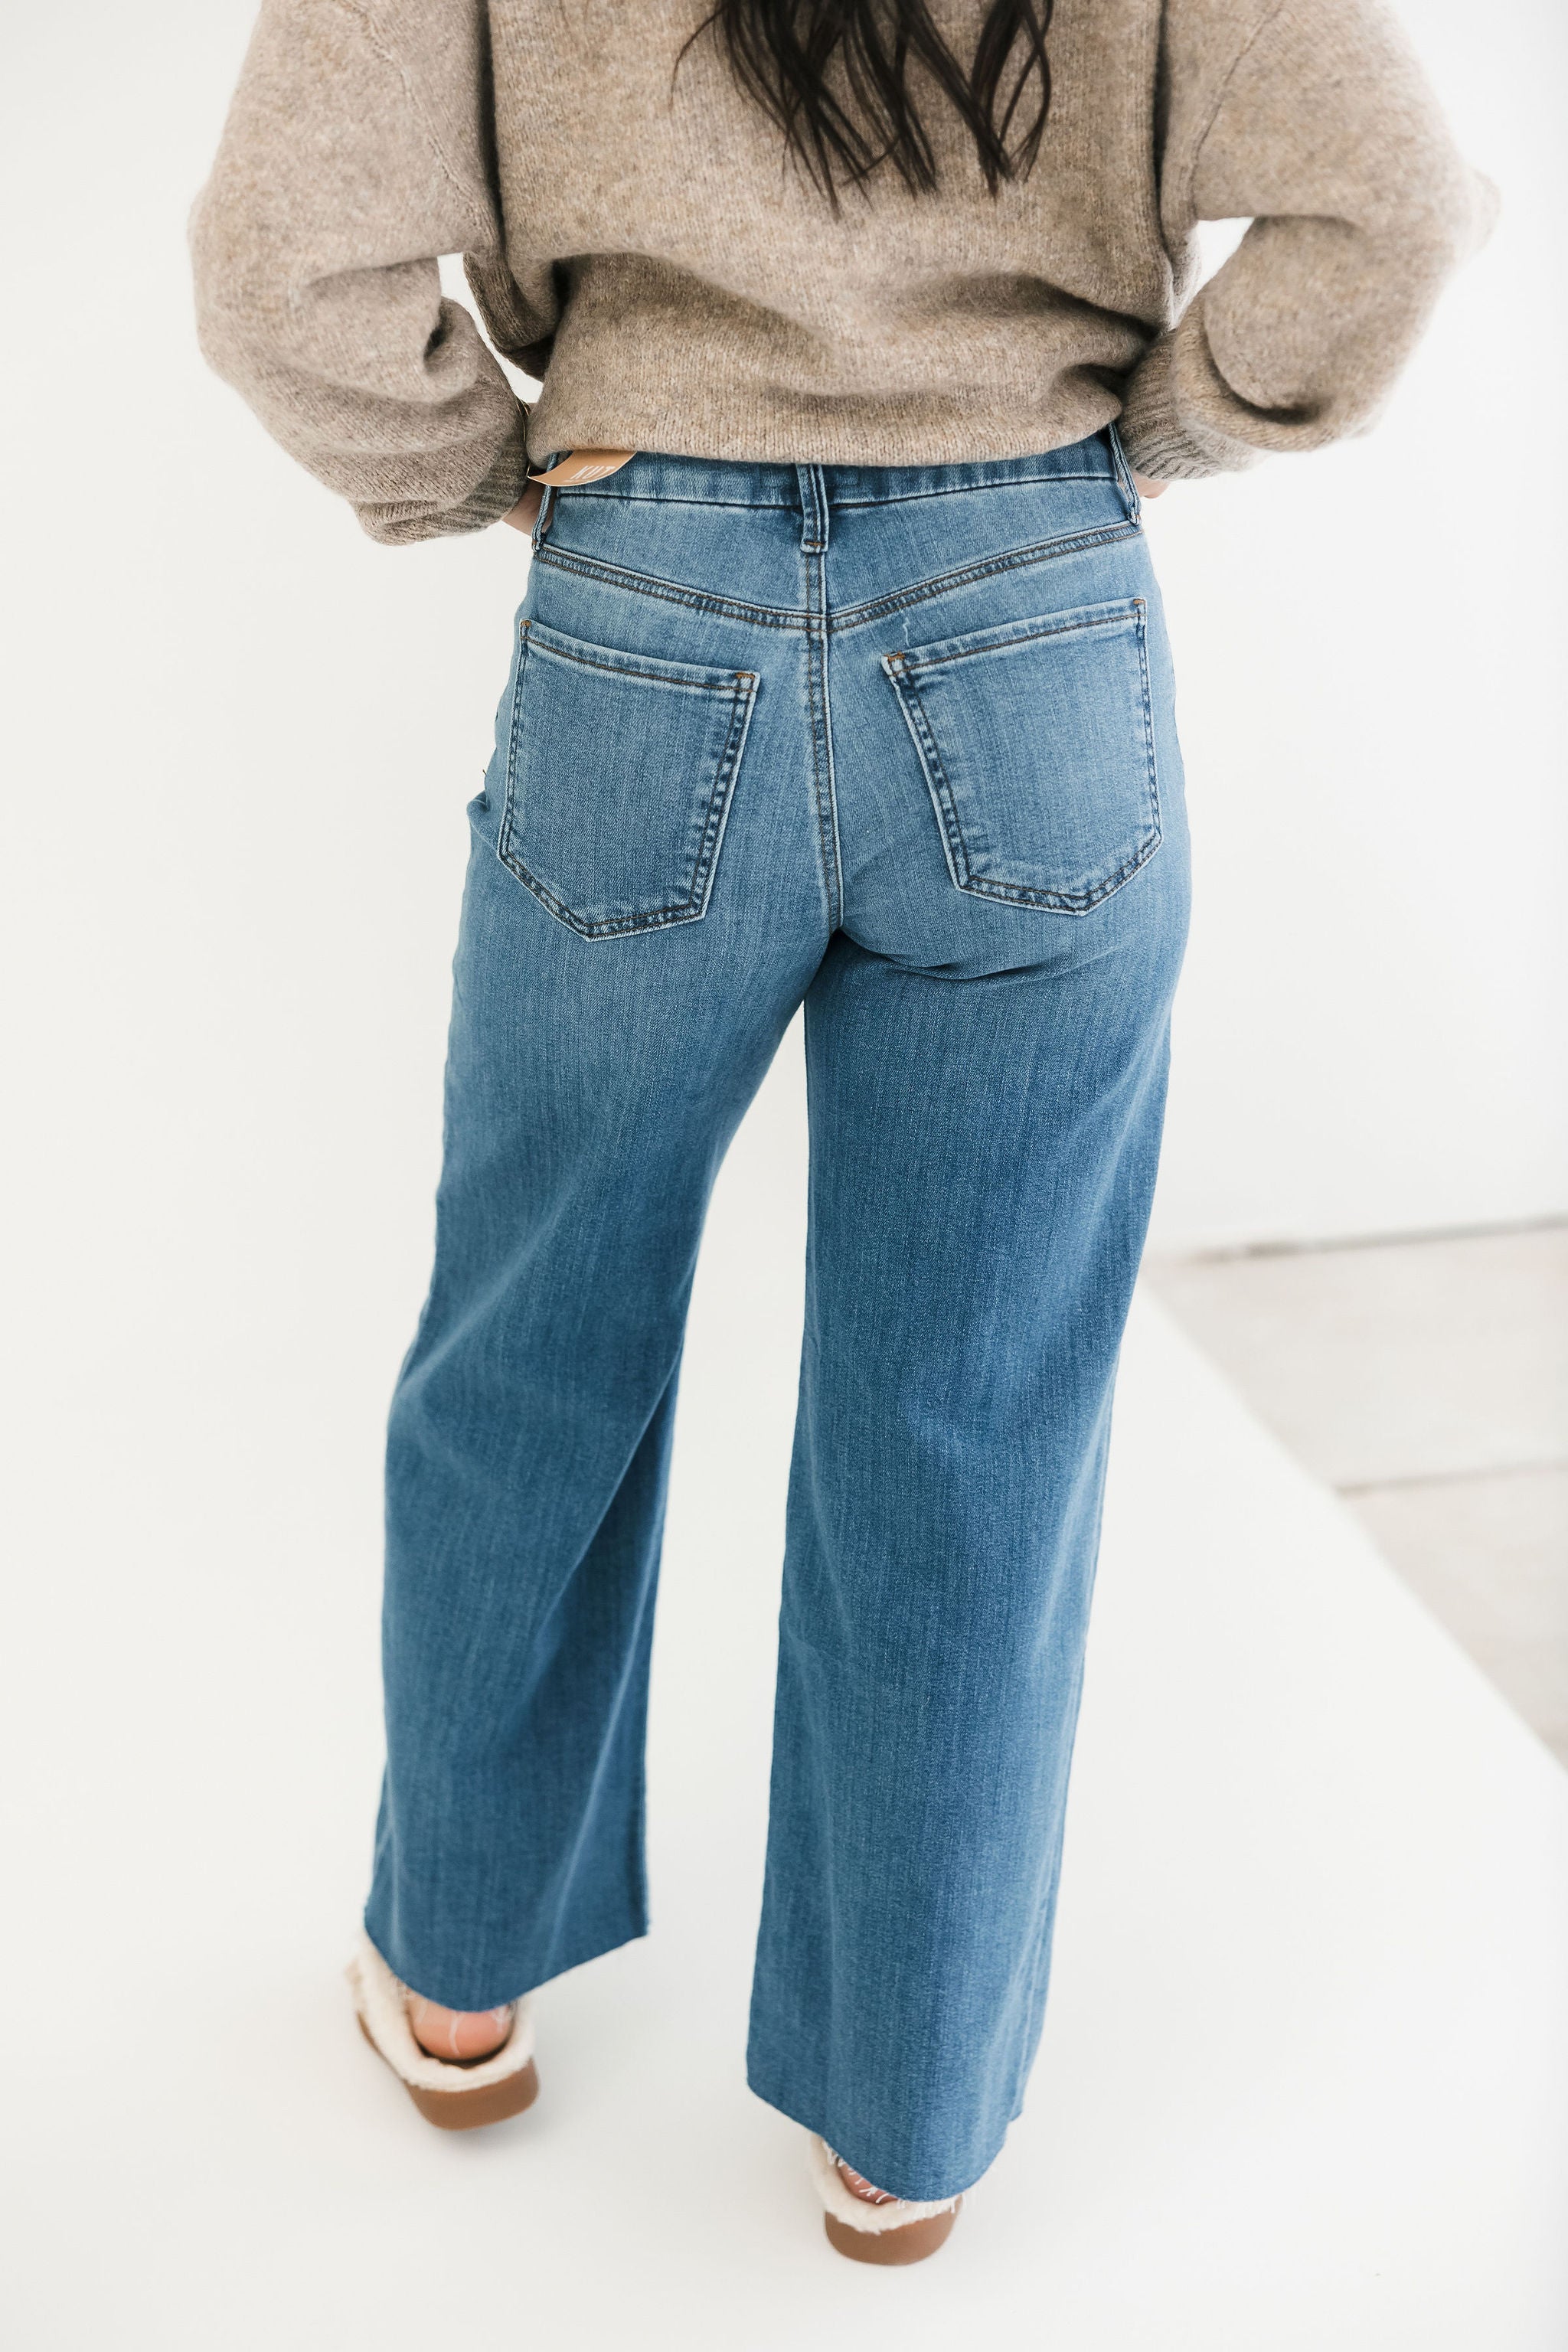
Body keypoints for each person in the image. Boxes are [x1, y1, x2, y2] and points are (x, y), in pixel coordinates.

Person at [191, 0, 1490, 2265]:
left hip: (645, 603)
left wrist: (488, 470)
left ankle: (460, 1972)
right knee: (967, 1411)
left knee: (533, 1339)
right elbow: (1387, 192)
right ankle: (906, 2123)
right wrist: (1152, 429)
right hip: (1036, 614)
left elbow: (283, 253)